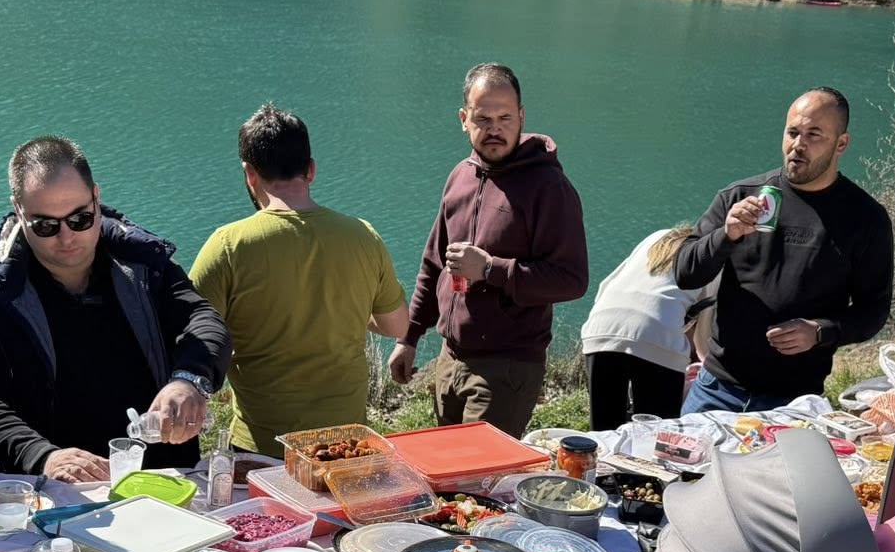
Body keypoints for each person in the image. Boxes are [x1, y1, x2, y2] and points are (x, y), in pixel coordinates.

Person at [0, 136, 230, 480]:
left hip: (161, 479)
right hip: (45, 491)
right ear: (18, 210)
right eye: (46, 226)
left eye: (80, 219)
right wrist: (44, 457)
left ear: (96, 197)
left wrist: (188, 381)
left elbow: (203, 321)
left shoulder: (144, 265)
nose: (66, 237)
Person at [190, 104, 409, 457]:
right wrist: (347, 310)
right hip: (345, 448)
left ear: (249, 174)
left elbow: (193, 337)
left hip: (260, 450)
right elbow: (396, 323)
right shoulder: (363, 237)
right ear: (311, 170)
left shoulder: (228, 246)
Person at [390, 64, 588, 435]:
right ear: (464, 119)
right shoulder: (460, 176)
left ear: (522, 117)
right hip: (449, 360)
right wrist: (409, 337)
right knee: (447, 478)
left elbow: (572, 280)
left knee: (480, 485)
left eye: (505, 117)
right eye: (483, 118)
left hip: (507, 368)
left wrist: (491, 270)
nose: (494, 128)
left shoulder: (548, 187)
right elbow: (433, 263)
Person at [674, 87, 893, 415]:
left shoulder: (864, 218)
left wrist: (819, 331)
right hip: (717, 388)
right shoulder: (742, 197)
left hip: (793, 402)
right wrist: (725, 235)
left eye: (814, 135)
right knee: (687, 467)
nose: (798, 145)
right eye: (792, 132)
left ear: (841, 144)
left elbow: (873, 311)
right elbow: (685, 272)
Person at [578, 224, 700, 431]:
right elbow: (706, 334)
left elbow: (607, 284)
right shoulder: (711, 255)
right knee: (656, 433)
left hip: (601, 328)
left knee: (604, 432)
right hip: (658, 336)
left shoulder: (657, 237)